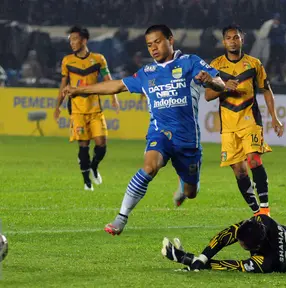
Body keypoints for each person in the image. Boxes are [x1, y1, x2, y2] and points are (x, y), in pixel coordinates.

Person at [63, 24, 225, 236]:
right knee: (149, 167)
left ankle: (183, 185)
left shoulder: (190, 62)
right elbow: (117, 85)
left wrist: (211, 81)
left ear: (170, 39)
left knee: (190, 192)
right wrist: (79, 90)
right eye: (149, 45)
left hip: (187, 141)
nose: (153, 48)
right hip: (160, 133)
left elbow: (221, 84)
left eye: (157, 42)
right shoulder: (147, 73)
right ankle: (121, 218)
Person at [175, 24, 283, 216]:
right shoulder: (215, 66)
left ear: (243, 40)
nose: (233, 41)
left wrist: (275, 118)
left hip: (250, 121)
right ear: (224, 42)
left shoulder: (254, 64)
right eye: (229, 38)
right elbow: (208, 95)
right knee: (239, 171)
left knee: (254, 160)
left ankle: (265, 208)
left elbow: (266, 90)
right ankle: (256, 211)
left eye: (236, 37)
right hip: (228, 126)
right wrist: (224, 87)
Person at [54, 26, 120, 191]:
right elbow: (64, 85)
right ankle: (86, 182)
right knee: (83, 145)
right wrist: (58, 106)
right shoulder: (67, 61)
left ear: (84, 40)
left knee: (101, 144)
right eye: (70, 40)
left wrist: (114, 97)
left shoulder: (98, 59)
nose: (72, 43)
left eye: (74, 39)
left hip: (95, 109)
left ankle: (94, 166)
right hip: (77, 110)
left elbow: (107, 79)